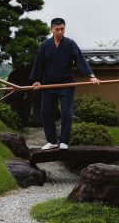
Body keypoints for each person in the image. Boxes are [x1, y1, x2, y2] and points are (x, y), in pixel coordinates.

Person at [30, 18, 100, 150]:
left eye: (62, 29)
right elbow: (39, 64)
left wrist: (91, 76)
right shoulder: (45, 45)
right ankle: (51, 141)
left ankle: (64, 141)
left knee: (67, 114)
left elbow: (80, 59)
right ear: (51, 29)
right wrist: (37, 80)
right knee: (46, 113)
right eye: (57, 29)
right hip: (48, 85)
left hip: (66, 85)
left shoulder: (70, 44)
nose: (60, 32)